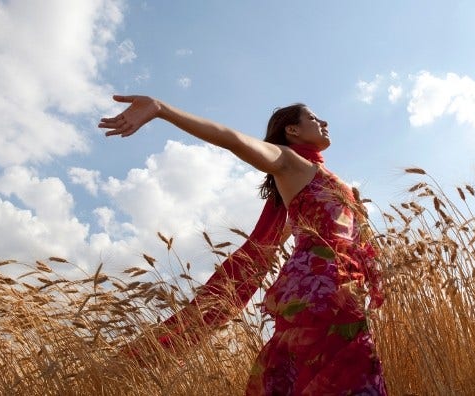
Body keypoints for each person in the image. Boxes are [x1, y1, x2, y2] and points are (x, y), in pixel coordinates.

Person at [99, 95, 386, 395]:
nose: (324, 122)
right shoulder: (289, 163)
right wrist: (162, 110)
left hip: (344, 288)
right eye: (313, 118)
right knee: (339, 376)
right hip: (318, 289)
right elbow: (233, 139)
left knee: (350, 375)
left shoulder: (329, 179)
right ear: (293, 131)